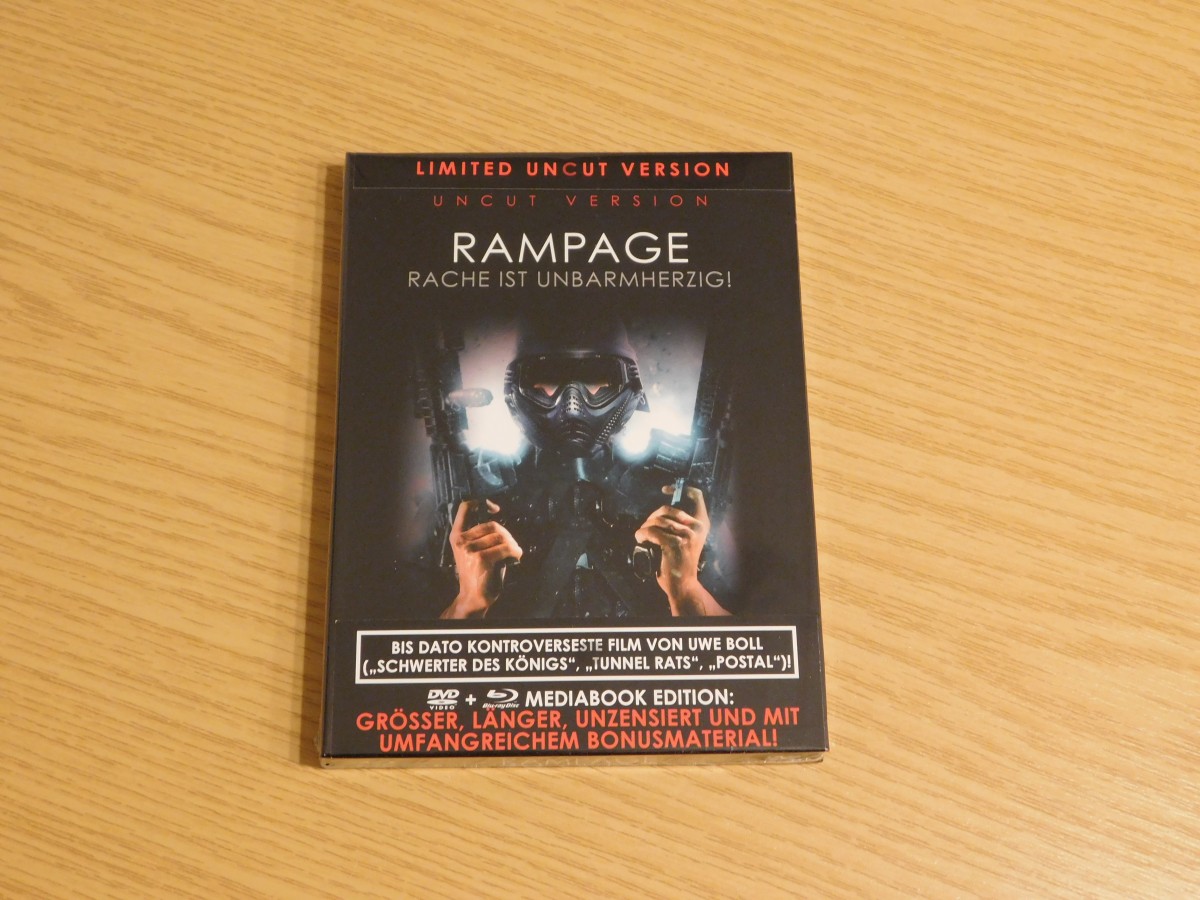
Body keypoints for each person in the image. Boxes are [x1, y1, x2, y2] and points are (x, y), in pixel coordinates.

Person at [438, 317, 732, 620]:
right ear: (519, 386)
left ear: (627, 384)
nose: (572, 402)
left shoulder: (680, 490)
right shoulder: (471, 496)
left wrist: (687, 592)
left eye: (594, 377)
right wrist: (469, 603)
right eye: (549, 377)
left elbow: (741, 628)